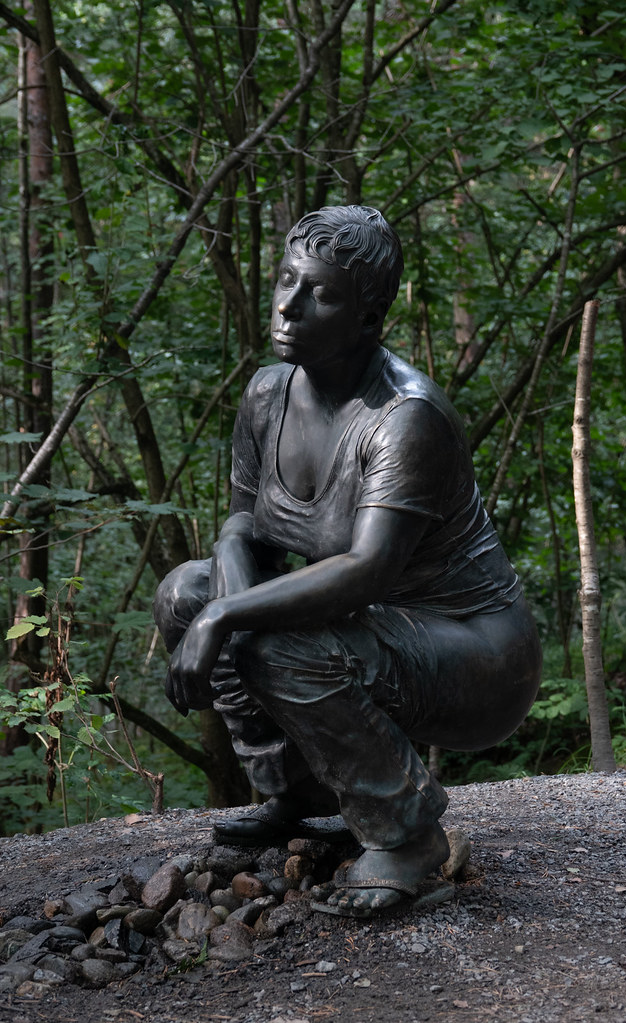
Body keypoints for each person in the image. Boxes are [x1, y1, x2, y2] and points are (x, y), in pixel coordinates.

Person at [153, 205, 542, 917]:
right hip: (378, 623)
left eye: (320, 292)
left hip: (477, 652)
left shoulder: (403, 417)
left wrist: (231, 617)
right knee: (185, 592)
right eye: (286, 279)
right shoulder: (267, 393)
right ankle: (295, 791)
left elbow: (364, 572)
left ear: (367, 317)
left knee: (272, 635)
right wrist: (220, 602)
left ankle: (407, 834)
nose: (288, 305)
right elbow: (246, 523)